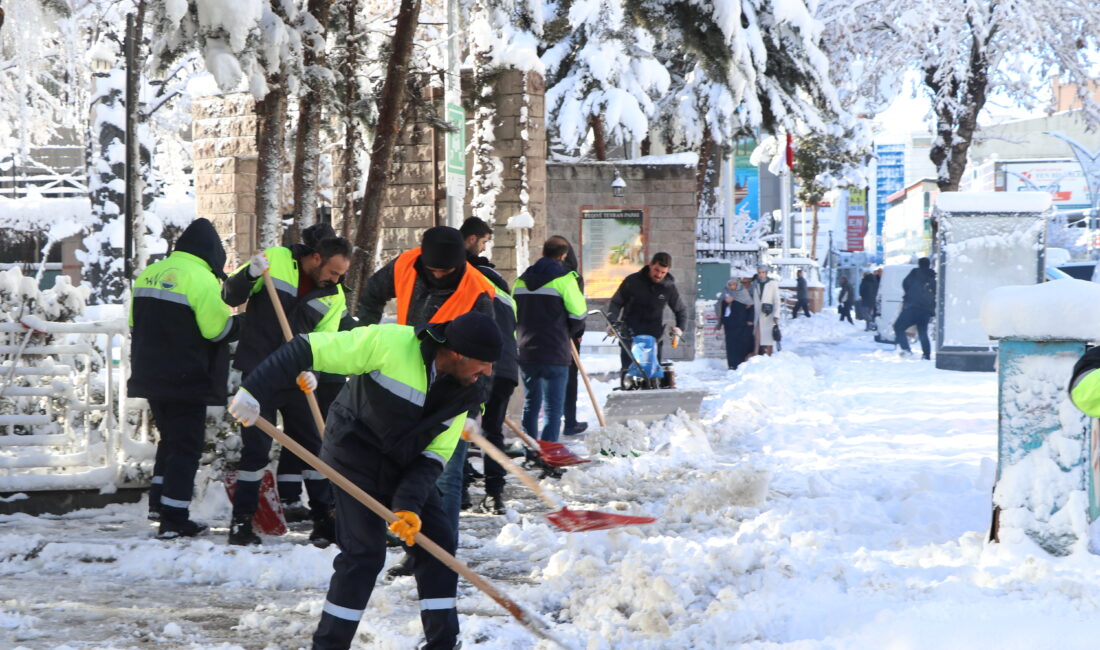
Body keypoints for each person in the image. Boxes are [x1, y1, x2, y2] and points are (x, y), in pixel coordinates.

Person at [226, 311, 501, 650]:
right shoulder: (390, 343)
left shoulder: (469, 391)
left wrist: (408, 506)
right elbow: (306, 347)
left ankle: (442, 642)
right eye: (484, 363)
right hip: (354, 455)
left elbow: (434, 457)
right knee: (364, 554)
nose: (488, 372)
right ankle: (329, 645)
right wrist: (254, 389)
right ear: (457, 353)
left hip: (407, 462)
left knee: (439, 544)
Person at [358, 226, 496, 575]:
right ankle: (414, 549)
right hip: (409, 382)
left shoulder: (478, 291)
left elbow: (486, 357)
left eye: (445, 272)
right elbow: (372, 295)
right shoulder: (406, 264)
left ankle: (439, 554)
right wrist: (366, 338)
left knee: (446, 477)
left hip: (452, 393)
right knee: (408, 472)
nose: (437, 275)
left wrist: (473, 409)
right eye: (432, 270)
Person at [221, 230, 352, 547]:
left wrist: (315, 373)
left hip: (296, 379)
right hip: (257, 376)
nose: (335, 279)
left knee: (313, 449)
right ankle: (241, 523)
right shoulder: (276, 261)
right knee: (255, 451)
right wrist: (248, 274)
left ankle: (324, 519)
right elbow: (230, 296)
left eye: (341, 275)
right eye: (333, 272)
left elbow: (327, 342)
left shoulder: (334, 296)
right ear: (316, 258)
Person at [130, 218, 240, 539]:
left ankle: (158, 505)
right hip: (186, 377)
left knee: (170, 440)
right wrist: (247, 323)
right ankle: (175, 518)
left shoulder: (149, 273)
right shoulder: (202, 279)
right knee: (187, 447)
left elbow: (133, 321)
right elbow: (217, 330)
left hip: (151, 375)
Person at [460, 217, 517, 515]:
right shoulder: (502, 287)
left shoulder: (467, 279)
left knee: (457, 426)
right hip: (506, 367)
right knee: (492, 431)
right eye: (483, 242)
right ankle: (495, 495)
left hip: (476, 365)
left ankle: (460, 491)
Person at [514, 237, 587, 445]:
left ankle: (531, 451)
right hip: (555, 352)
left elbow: (512, 315)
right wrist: (568, 332)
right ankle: (548, 454)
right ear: (563, 255)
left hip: (527, 352)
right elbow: (579, 314)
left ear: (543, 252)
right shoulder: (565, 279)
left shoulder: (521, 280)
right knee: (553, 409)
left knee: (530, 405)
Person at [606, 252, 688, 378]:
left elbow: (681, 310)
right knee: (628, 375)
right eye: (656, 270)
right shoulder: (632, 281)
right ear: (650, 265)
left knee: (653, 375)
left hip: (654, 337)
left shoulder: (668, 287)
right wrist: (612, 322)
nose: (659, 275)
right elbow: (616, 303)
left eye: (663, 272)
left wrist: (680, 328)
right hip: (630, 335)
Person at [559, 237, 587, 436]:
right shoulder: (572, 277)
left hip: (549, 335)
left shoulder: (543, 275)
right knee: (569, 380)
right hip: (567, 336)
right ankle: (569, 420)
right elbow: (578, 310)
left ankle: (566, 420)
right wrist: (577, 332)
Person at [894, 256, 936, 359]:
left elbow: (905, 284)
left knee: (898, 327)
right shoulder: (932, 277)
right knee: (923, 332)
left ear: (919, 264)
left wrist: (910, 295)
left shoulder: (914, 273)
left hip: (912, 307)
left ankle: (906, 350)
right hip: (926, 310)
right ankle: (926, 355)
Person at [715, 276, 755, 370]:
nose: (732, 286)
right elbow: (719, 305)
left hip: (741, 324)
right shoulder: (725, 292)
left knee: (741, 345)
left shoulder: (743, 292)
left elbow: (750, 305)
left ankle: (740, 364)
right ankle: (731, 365)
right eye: (730, 284)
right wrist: (725, 302)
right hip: (729, 324)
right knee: (730, 345)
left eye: (733, 284)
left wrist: (750, 320)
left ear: (737, 284)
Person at [752, 265, 781, 356]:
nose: (761, 274)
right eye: (759, 272)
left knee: (769, 336)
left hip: (769, 313)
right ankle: (757, 354)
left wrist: (776, 314)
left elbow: (776, 300)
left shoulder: (772, 283)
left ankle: (769, 355)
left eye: (763, 272)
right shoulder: (755, 284)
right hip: (758, 313)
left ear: (766, 273)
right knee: (757, 335)